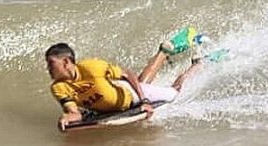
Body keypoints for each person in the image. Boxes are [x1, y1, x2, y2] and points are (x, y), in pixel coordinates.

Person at [46, 27, 203, 130]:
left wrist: (144, 101)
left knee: (174, 94)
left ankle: (196, 65)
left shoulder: (92, 67)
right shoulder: (58, 88)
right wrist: (67, 118)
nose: (48, 69)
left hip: (129, 95)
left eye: (51, 64)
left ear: (66, 62)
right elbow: (75, 112)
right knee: (143, 82)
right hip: (114, 102)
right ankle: (163, 51)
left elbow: (127, 74)